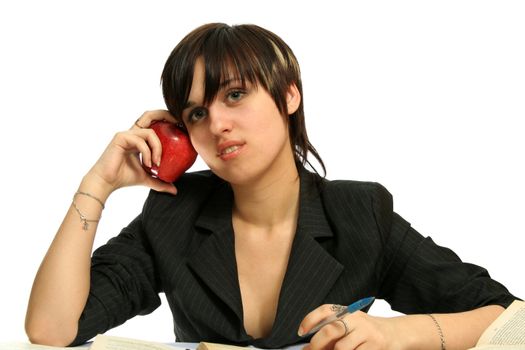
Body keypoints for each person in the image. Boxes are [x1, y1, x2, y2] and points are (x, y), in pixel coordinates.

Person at [25, 23, 518, 350]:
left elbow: (508, 319)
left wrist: (395, 333)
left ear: (288, 96)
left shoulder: (359, 212)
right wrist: (97, 185)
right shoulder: (172, 215)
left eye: (234, 95)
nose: (217, 123)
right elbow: (50, 331)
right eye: (197, 112)